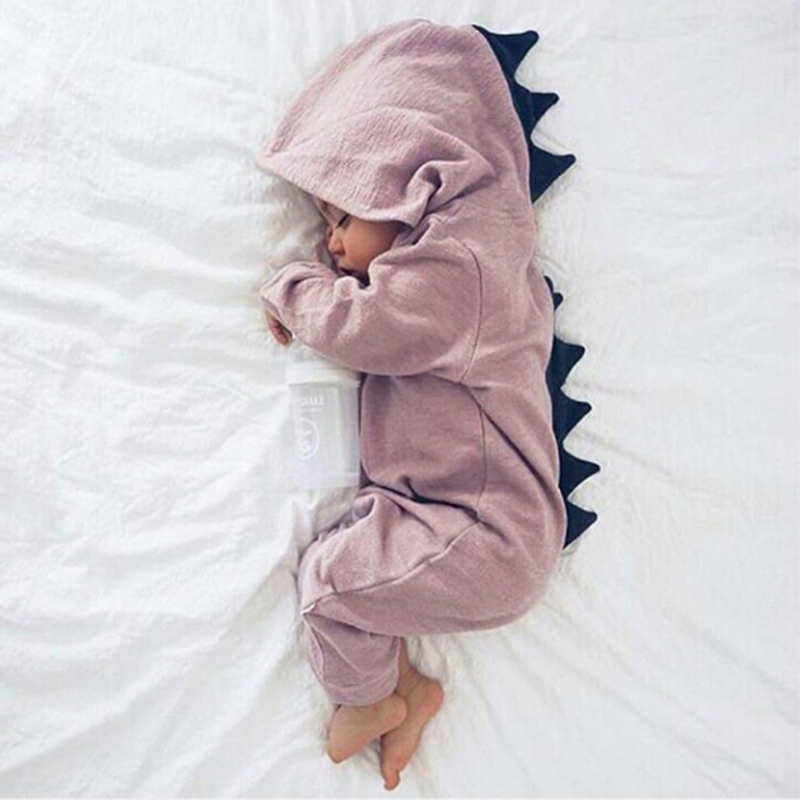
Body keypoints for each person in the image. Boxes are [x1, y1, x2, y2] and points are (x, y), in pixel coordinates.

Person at [258, 20, 569, 791]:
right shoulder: (461, 257)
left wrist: (293, 286)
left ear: (407, 187)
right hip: (445, 514)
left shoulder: (464, 265)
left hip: (487, 534)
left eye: (342, 220)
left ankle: (366, 701)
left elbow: (368, 327)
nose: (332, 245)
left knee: (331, 588)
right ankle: (406, 694)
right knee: (356, 575)